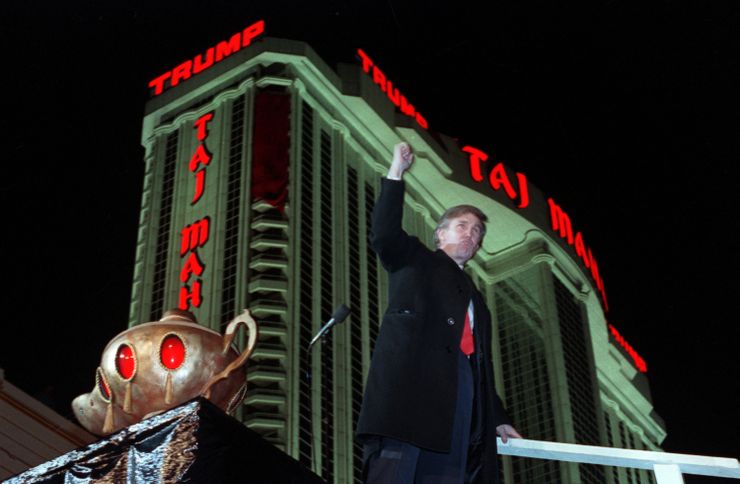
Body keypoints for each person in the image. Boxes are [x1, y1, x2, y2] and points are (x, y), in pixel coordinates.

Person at [356, 142, 521, 483]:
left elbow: (481, 365)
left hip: (459, 404)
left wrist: (497, 417)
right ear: (439, 234)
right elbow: (384, 234)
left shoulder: (478, 302)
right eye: (462, 226)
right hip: (410, 397)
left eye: (476, 232)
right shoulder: (415, 259)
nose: (470, 234)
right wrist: (396, 172)